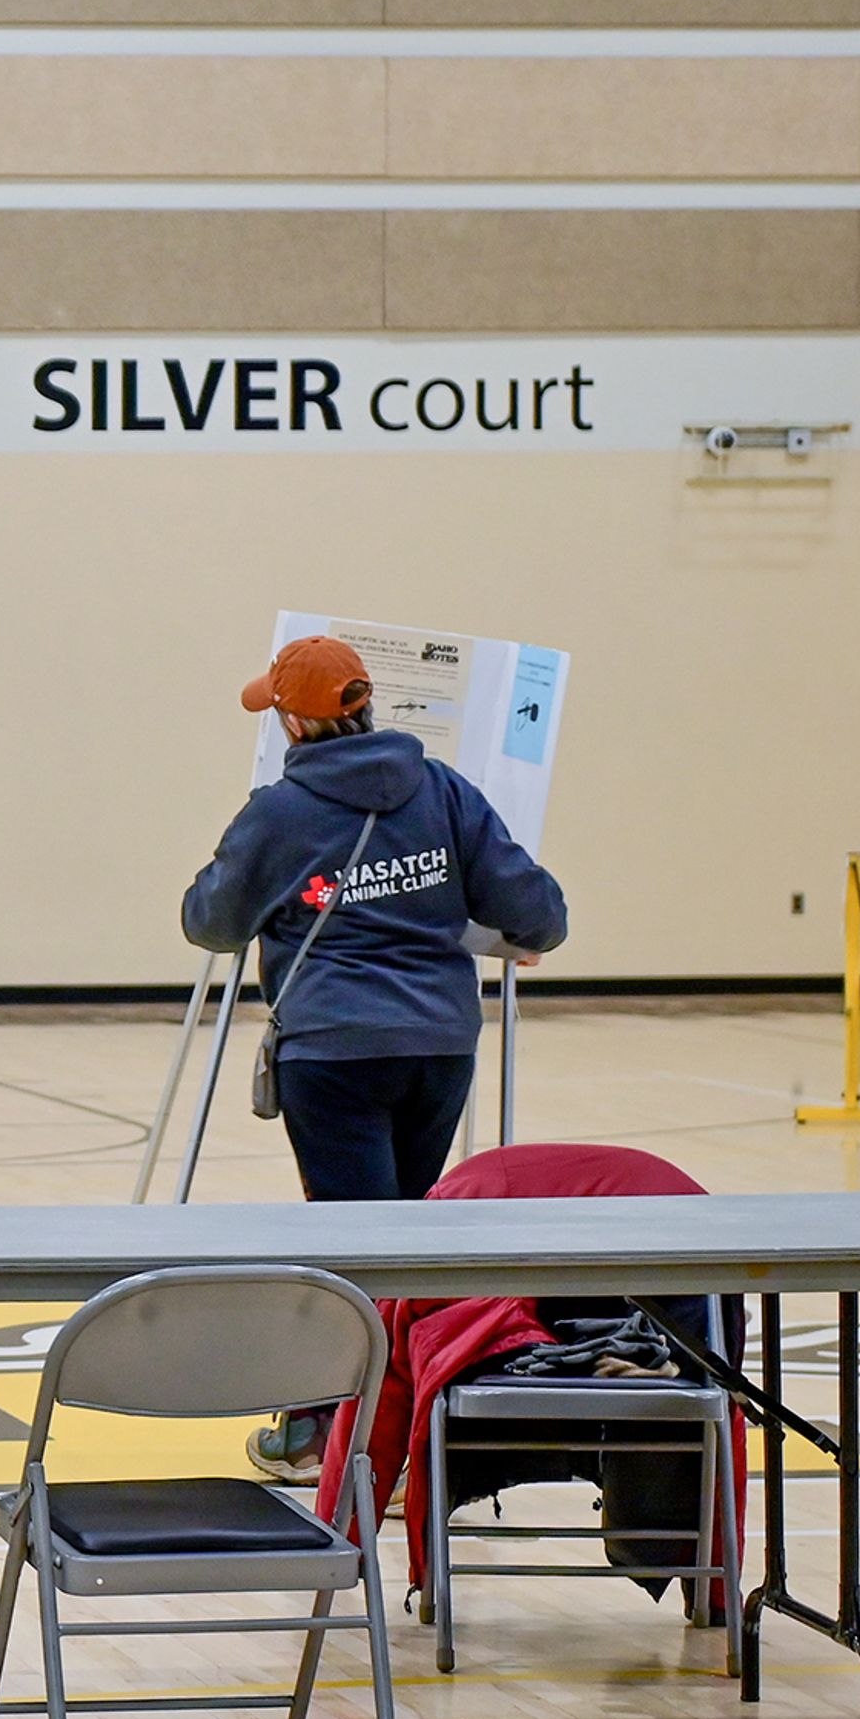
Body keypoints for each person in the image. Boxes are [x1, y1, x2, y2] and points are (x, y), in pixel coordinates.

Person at [183, 630, 569, 1477]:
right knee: (406, 1234)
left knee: (352, 1245)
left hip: (333, 1050)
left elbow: (211, 922)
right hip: (438, 1044)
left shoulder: (278, 812)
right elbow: (539, 912)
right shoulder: (442, 790)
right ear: (366, 703)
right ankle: (407, 1420)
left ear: (292, 722)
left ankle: (333, 1437)